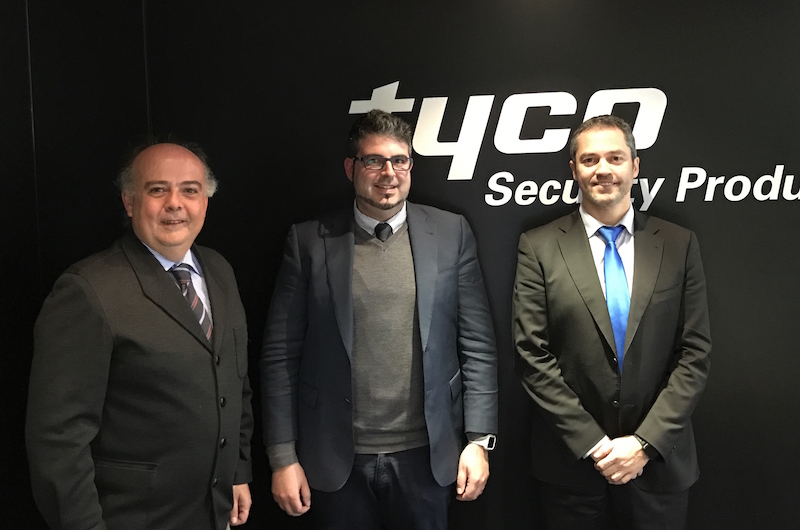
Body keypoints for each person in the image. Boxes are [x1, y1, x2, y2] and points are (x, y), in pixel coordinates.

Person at [261, 109, 498, 529]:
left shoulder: (451, 233)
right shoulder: (309, 241)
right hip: (336, 460)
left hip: (427, 458)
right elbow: (280, 354)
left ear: (410, 166)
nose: (388, 173)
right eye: (374, 160)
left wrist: (479, 441)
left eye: (399, 160)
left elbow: (477, 345)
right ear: (351, 168)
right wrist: (282, 457)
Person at [26, 142, 253, 530]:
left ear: (205, 202)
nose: (175, 203)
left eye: (190, 190)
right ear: (129, 202)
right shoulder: (88, 290)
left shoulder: (220, 271)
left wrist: (237, 470)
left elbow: (235, 382)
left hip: (215, 512)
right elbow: (58, 440)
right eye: (158, 189)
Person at [513, 115, 712, 529]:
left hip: (658, 466)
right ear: (574, 169)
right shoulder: (538, 246)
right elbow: (532, 355)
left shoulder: (678, 243)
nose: (603, 169)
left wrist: (644, 443)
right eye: (590, 159)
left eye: (615, 158)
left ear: (635, 166)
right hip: (572, 470)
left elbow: (694, 353)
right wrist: (594, 444)